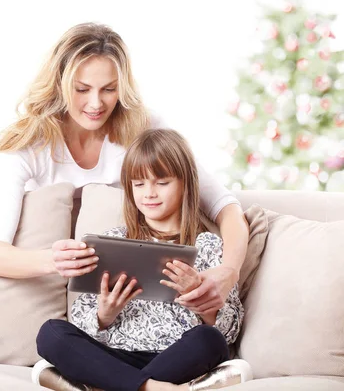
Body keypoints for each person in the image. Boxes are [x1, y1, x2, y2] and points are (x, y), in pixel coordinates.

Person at [0, 22, 249, 315]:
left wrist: (229, 270)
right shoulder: (26, 146)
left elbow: (225, 206)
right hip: (89, 306)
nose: (96, 103)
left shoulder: (144, 127)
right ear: (60, 84)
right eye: (82, 89)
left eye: (109, 89)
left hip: (141, 303)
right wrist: (53, 261)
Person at [33, 128, 251, 391]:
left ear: (185, 183)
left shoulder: (209, 247)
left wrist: (202, 302)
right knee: (52, 334)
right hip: (115, 356)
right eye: (139, 184)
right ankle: (153, 388)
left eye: (161, 183)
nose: (149, 193)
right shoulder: (111, 242)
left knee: (209, 341)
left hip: (174, 358)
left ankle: (107, 386)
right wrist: (104, 314)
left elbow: (229, 331)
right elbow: (80, 319)